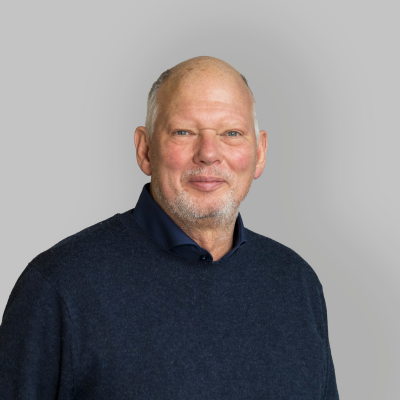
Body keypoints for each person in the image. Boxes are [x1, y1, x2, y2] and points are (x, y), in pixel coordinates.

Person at [0, 56, 340, 399]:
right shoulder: (59, 287)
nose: (208, 153)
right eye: (184, 132)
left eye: (231, 133)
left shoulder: (296, 284)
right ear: (145, 149)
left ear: (260, 153)